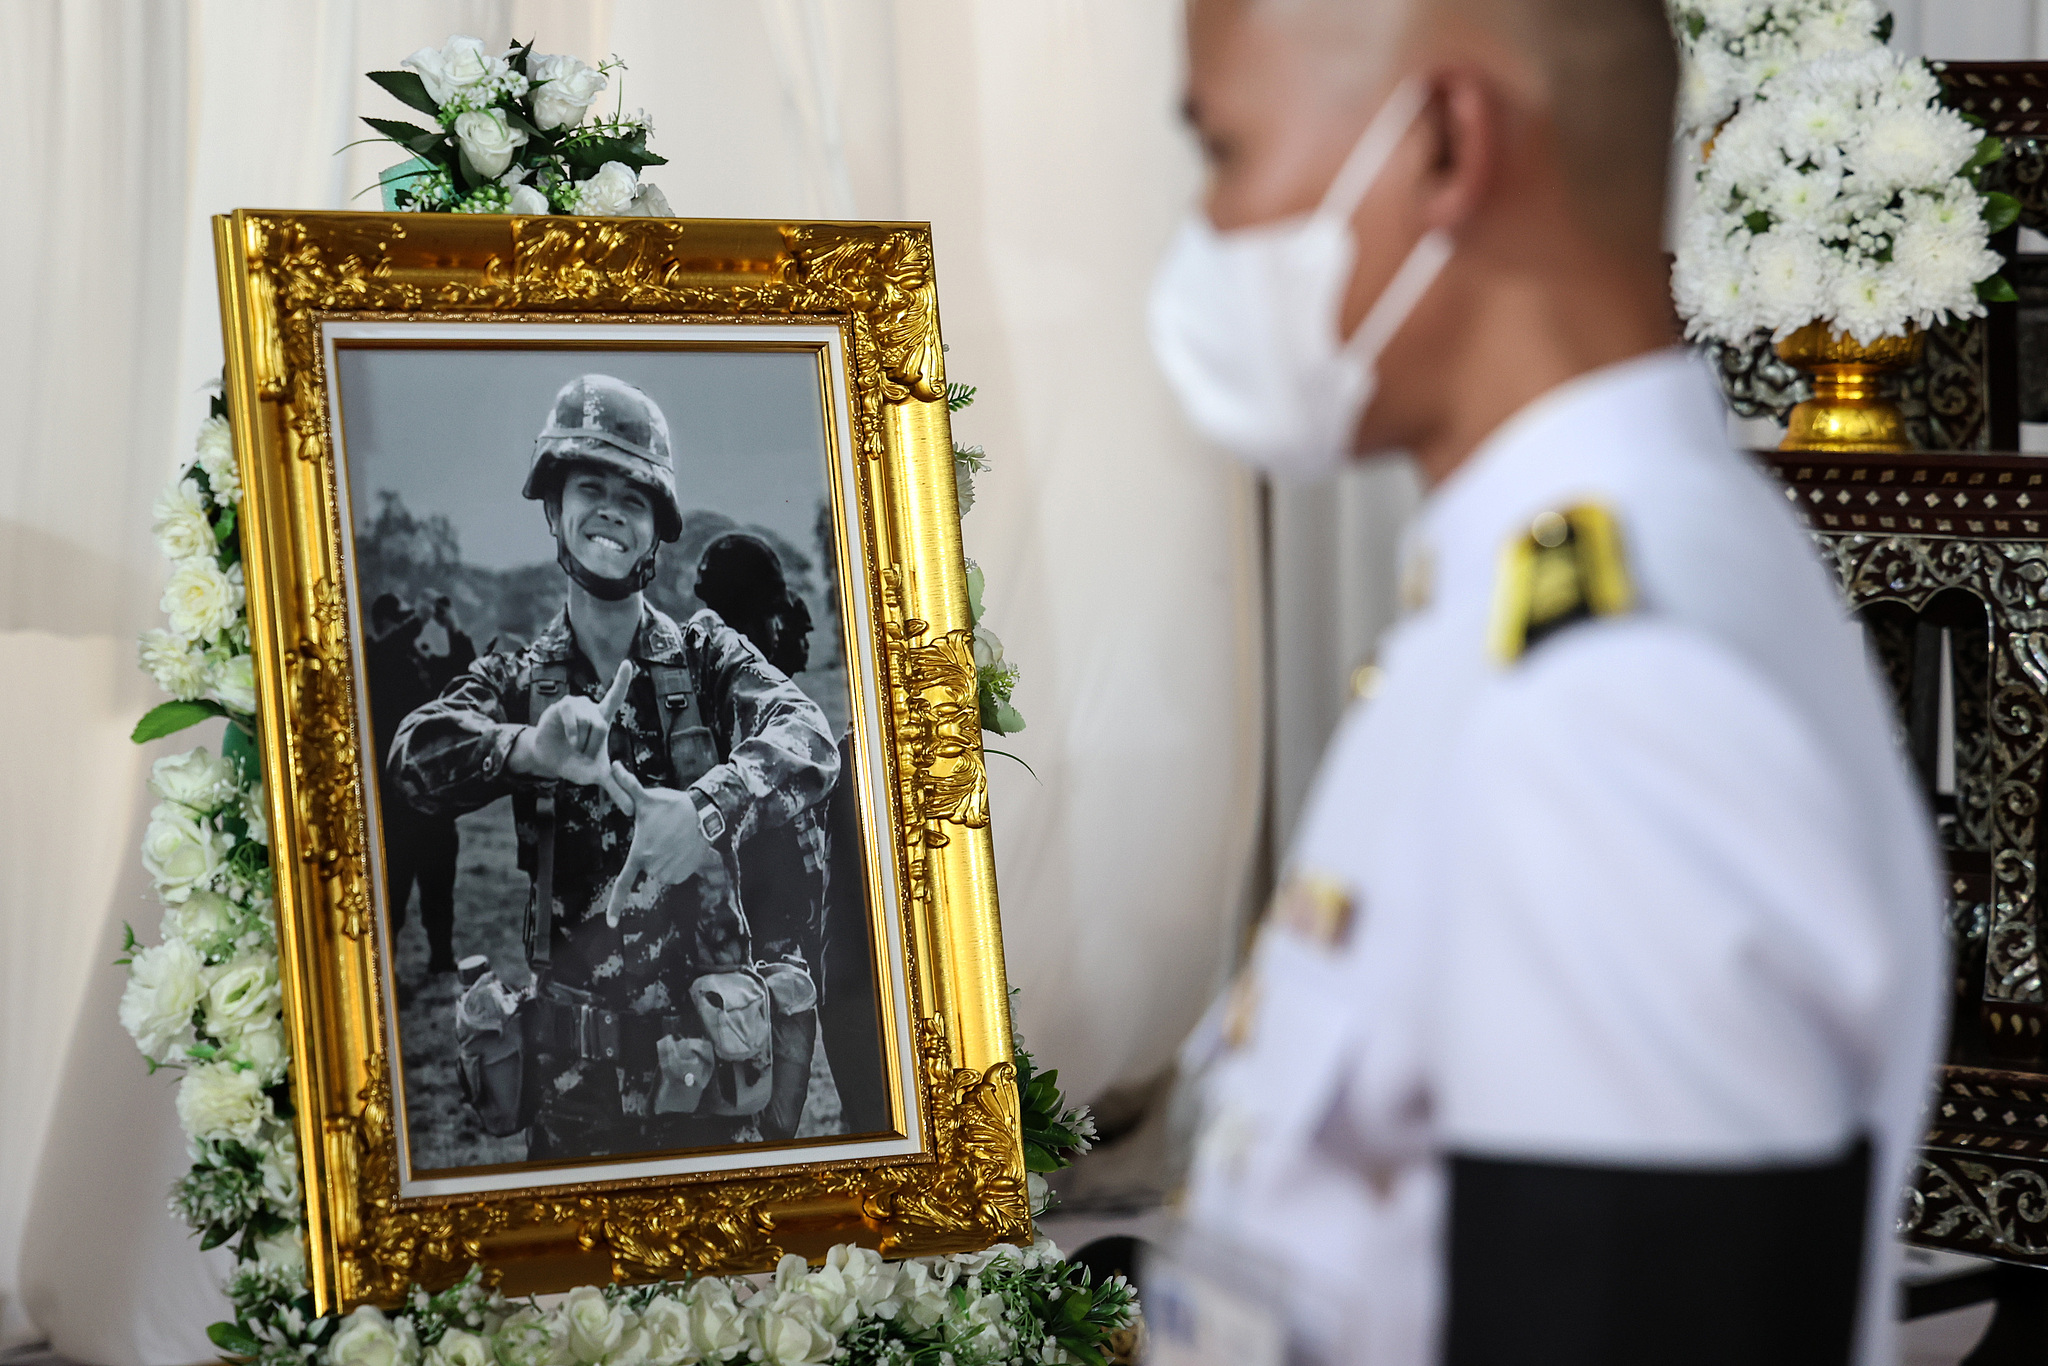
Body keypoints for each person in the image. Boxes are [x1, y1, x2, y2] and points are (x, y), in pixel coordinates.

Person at [1145, 3, 1944, 1365]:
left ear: (1450, 144)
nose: (1205, 235)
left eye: (1226, 156)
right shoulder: (1546, 592)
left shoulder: (1618, 698)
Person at [390, 373, 840, 1160]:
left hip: (715, 1081)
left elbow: (808, 735)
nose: (609, 510)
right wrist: (529, 748)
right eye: (588, 487)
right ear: (554, 513)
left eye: (632, 498)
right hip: (573, 1098)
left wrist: (707, 810)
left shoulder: (706, 656)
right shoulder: (519, 678)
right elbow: (412, 758)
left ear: (654, 529)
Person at [366, 593, 466, 976]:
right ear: (385, 623)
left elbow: (461, 673)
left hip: (432, 797)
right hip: (393, 801)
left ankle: (441, 956)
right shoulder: (373, 657)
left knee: (439, 883)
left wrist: (452, 629)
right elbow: (384, 654)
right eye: (403, 620)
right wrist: (419, 620)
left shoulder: (417, 661)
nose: (411, 627)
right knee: (393, 891)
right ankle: (382, 968)